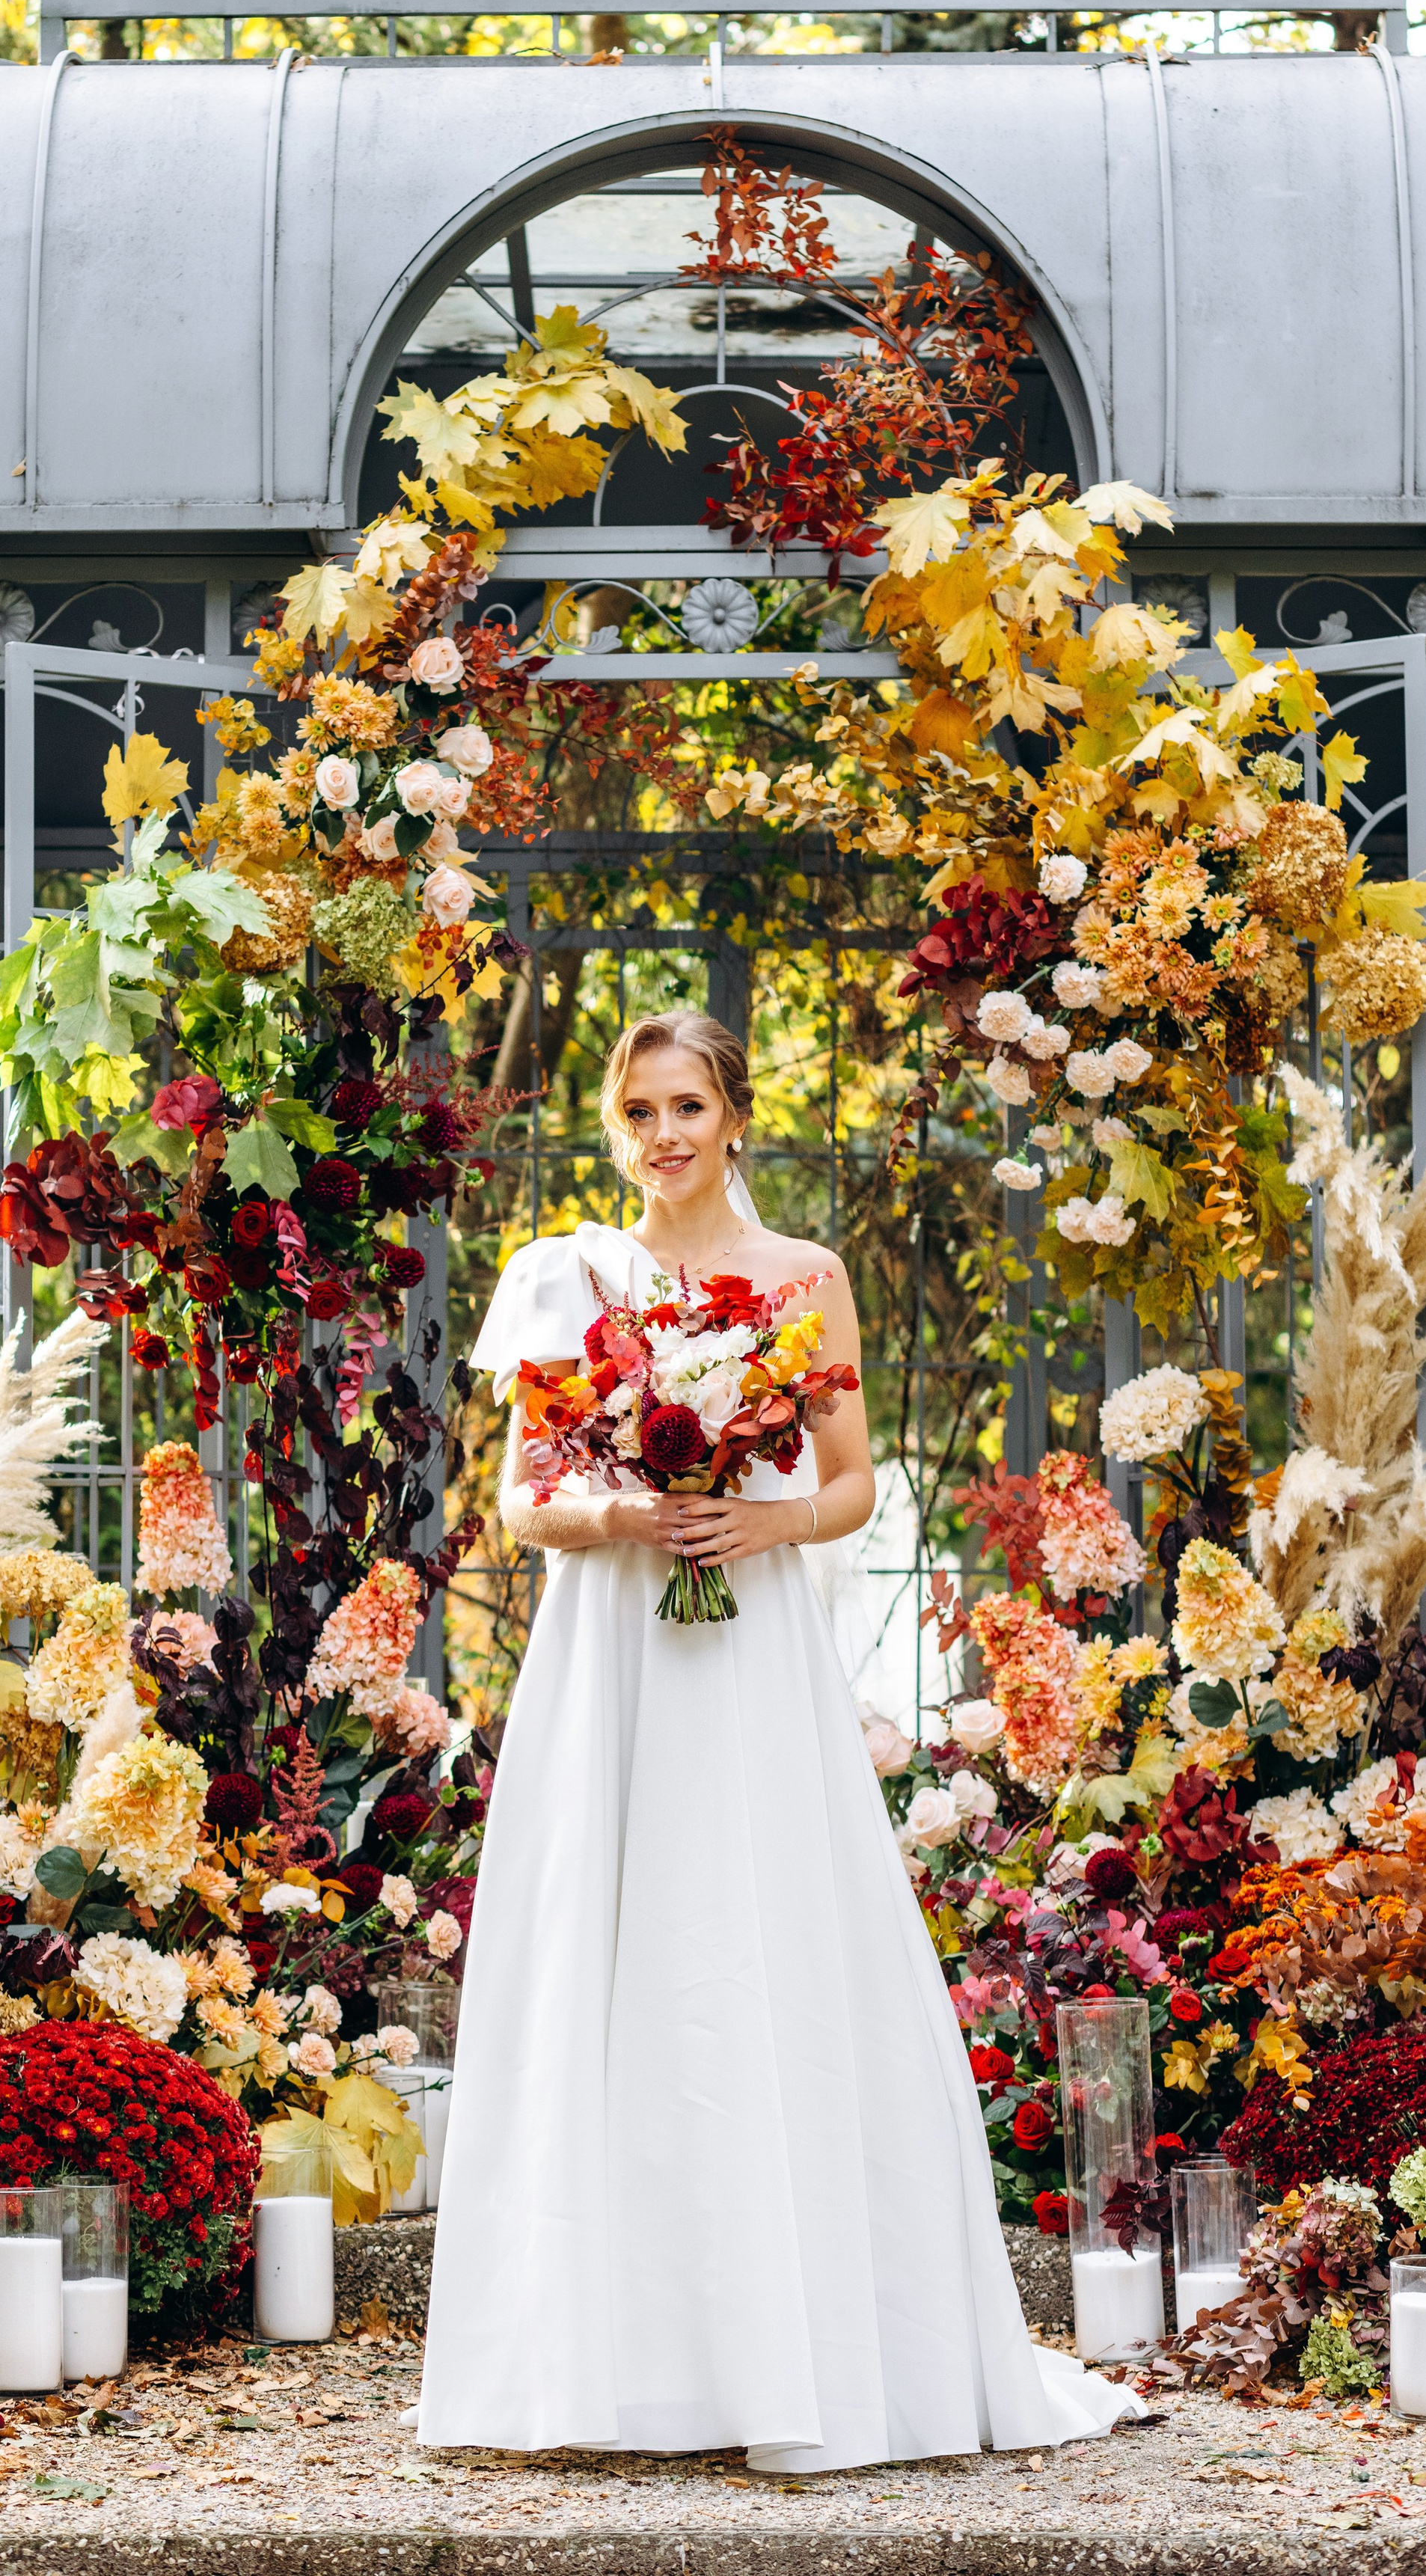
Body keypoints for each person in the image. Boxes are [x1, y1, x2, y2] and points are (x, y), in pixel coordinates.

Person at [416, 1011, 1133, 2472]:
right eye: (638, 1110)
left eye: (687, 1105)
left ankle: (791, 2350)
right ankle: (603, 2363)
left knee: (754, 1942)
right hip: (610, 1651)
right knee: (607, 1952)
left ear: (734, 1112)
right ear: (614, 1125)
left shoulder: (806, 1277)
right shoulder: (566, 1278)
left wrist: (763, 1520)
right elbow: (522, 1500)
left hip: (750, 1648)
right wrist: (622, 1511)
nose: (663, 1134)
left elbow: (852, 1480)